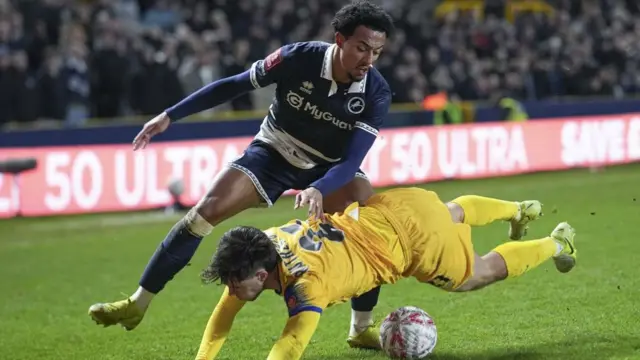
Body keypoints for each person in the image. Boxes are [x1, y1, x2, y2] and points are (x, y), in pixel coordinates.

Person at [88, 0, 396, 345]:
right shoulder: (297, 57)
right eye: (362, 48)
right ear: (339, 40)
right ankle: (137, 303)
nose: (369, 60)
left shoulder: (376, 91)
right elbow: (233, 85)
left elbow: (352, 163)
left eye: (377, 52)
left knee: (368, 220)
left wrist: (320, 187)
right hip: (274, 151)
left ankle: (360, 328)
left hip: (329, 166)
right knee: (201, 215)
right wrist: (171, 115)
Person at [193, 188, 577, 360]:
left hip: (417, 244)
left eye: (232, 282)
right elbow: (227, 308)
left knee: (480, 271)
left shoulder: (309, 287)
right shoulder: (268, 242)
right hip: (395, 206)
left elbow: (290, 347)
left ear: (261, 277)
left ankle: (559, 243)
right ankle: (515, 208)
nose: (228, 290)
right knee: (450, 211)